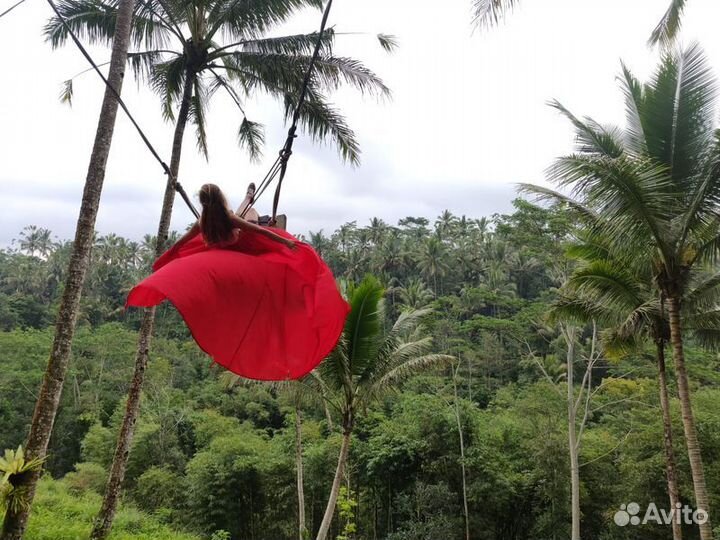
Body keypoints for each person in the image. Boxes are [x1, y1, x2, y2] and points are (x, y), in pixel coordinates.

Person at [126, 183, 349, 381]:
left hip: (226, 241)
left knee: (245, 212)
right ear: (221, 200)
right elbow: (258, 230)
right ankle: (248, 198)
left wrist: (166, 257)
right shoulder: (228, 218)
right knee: (249, 215)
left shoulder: (203, 222)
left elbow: (180, 244)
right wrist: (286, 242)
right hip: (243, 246)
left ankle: (248, 196)